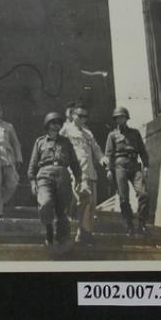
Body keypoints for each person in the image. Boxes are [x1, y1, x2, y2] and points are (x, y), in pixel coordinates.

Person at [28, 112, 82, 246]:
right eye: (53, 122)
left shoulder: (66, 142)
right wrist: (32, 181)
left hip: (62, 174)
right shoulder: (40, 141)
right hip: (44, 174)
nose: (56, 125)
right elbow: (33, 164)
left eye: (59, 123)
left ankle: (60, 237)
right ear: (47, 125)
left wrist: (78, 178)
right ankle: (49, 230)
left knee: (62, 209)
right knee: (45, 202)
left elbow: (74, 162)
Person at [60, 104, 105, 244]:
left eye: (85, 116)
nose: (82, 119)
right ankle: (82, 232)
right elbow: (59, 147)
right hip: (76, 171)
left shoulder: (88, 133)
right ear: (73, 115)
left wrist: (102, 159)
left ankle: (86, 233)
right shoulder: (66, 129)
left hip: (90, 171)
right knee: (84, 199)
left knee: (92, 204)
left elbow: (96, 149)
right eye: (79, 116)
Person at [104, 106, 150, 237]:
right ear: (115, 120)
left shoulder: (135, 133)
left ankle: (142, 224)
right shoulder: (112, 135)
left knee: (144, 194)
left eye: (122, 117)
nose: (120, 120)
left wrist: (146, 165)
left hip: (134, 165)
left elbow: (142, 150)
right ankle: (129, 224)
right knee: (123, 198)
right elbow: (109, 154)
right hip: (120, 166)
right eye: (117, 118)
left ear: (126, 118)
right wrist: (109, 169)